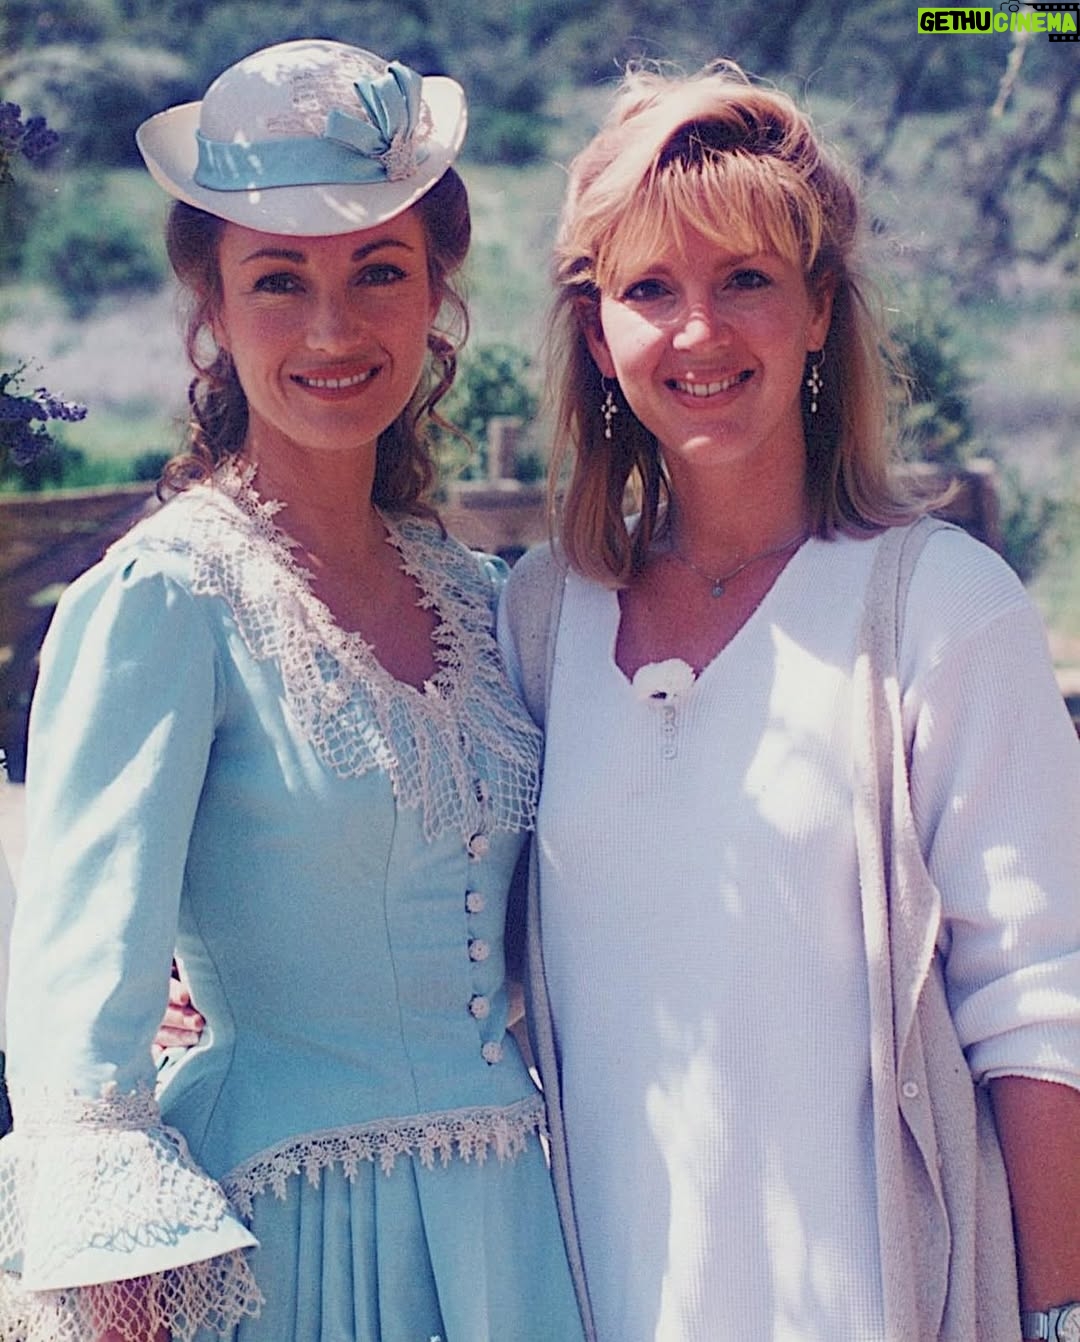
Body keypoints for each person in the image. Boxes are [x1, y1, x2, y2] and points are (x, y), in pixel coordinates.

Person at [0, 39, 586, 1342]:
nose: (333, 327)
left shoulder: (481, 599)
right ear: (213, 308)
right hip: (289, 1247)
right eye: (279, 279)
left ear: (436, 294)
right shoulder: (166, 598)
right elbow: (76, 1032)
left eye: (379, 269)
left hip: (510, 1237)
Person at [497, 60, 1080, 1341]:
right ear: (597, 335)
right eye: (651, 290)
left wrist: (1060, 1317)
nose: (700, 332)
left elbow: (1043, 1008)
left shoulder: (940, 607)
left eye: (747, 280)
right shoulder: (538, 619)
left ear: (820, 308)